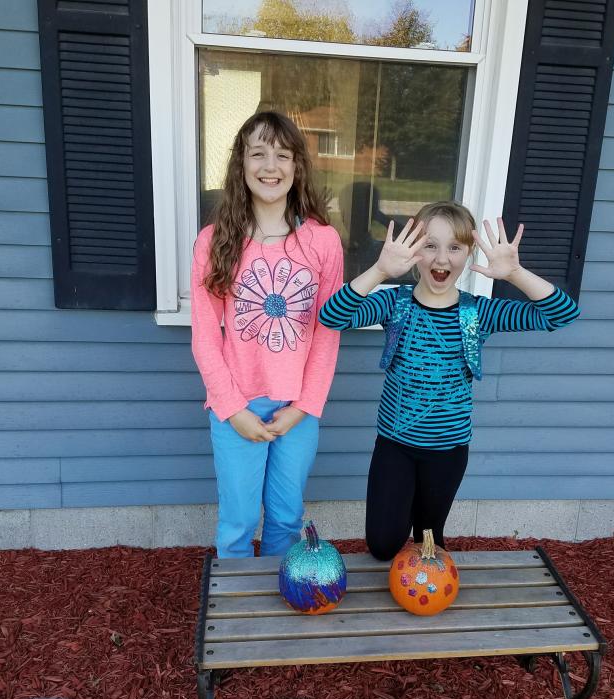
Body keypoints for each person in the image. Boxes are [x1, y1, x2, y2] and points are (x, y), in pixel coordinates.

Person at [318, 201, 579, 560]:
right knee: (382, 545)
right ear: (413, 252)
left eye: (454, 247)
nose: (442, 259)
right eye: (430, 245)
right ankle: (399, 512)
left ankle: (422, 553)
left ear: (469, 252)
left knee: (429, 545)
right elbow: (333, 316)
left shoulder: (479, 312)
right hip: (395, 447)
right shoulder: (395, 304)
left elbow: (561, 314)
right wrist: (380, 270)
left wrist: (515, 273)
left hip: (448, 451)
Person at [191, 111, 343, 558]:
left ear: (297, 167)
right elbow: (204, 336)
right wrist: (232, 408)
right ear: (241, 165)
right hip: (236, 405)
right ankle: (235, 607)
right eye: (258, 154)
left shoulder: (322, 242)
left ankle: (278, 601)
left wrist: (303, 407)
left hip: (298, 408)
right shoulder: (214, 241)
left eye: (282, 155)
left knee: (285, 516)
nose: (270, 166)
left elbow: (326, 333)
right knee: (238, 517)